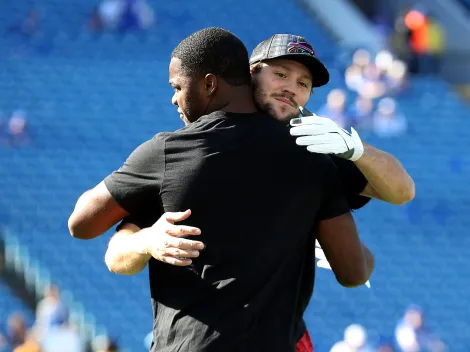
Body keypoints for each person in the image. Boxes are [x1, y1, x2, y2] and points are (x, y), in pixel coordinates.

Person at [68, 33, 412, 352]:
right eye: (281, 74)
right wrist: (147, 241)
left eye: (303, 84)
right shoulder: (309, 159)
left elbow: (402, 192)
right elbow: (355, 270)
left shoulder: (316, 144)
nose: (291, 88)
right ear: (249, 75)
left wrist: (355, 149)